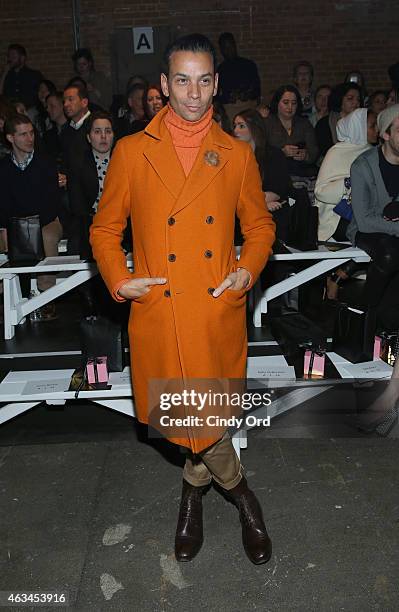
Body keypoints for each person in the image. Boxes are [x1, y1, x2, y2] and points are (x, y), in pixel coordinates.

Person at [90, 33, 275, 565]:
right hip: (161, 308)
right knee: (184, 420)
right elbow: (104, 230)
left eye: (203, 80)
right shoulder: (131, 151)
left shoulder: (236, 154)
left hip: (213, 307)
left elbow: (260, 225)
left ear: (216, 84)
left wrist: (245, 270)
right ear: (164, 86)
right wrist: (118, 278)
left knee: (205, 417)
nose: (193, 93)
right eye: (182, 80)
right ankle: (242, 496)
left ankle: (193, 500)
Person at [0, 114, 62, 318]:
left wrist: (29, 227)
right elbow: (3, 204)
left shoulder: (46, 163)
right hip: (16, 223)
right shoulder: (4, 168)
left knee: (47, 236)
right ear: (10, 138)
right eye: (23, 134)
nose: (29, 138)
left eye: (31, 133)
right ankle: (6, 295)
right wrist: (7, 228)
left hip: (45, 220)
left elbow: (51, 203)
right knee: (6, 237)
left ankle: (47, 295)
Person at [315, 108, 378, 299]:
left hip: (362, 215)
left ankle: (339, 277)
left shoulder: (374, 152)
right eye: (372, 126)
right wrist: (349, 183)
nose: (377, 130)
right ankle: (338, 277)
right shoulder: (337, 152)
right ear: (359, 128)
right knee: (374, 234)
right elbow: (321, 192)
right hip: (337, 219)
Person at [347, 105, 399, 328]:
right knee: (390, 253)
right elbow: (365, 221)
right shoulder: (363, 166)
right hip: (365, 230)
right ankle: (364, 313)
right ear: (385, 134)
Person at [264, 85, 318, 179]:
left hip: (301, 172)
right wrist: (281, 152)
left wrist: (306, 155)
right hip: (274, 173)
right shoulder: (267, 123)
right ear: (277, 103)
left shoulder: (304, 123)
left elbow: (314, 150)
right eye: (285, 102)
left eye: (294, 103)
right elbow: (260, 151)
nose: (290, 107)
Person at [217, 32, 261, 127]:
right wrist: (228, 98)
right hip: (230, 109)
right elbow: (216, 97)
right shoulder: (220, 70)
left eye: (230, 46)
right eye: (225, 48)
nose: (229, 50)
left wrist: (246, 94)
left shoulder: (248, 65)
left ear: (235, 45)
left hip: (248, 106)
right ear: (221, 50)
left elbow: (257, 91)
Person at [316, 82, 362, 158]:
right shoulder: (324, 124)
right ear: (340, 99)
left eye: (358, 99)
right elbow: (325, 151)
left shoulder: (363, 122)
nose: (356, 102)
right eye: (350, 98)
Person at [1, 44, 43, 110]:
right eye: (9, 56)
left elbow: (40, 96)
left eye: (13, 56)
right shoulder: (7, 76)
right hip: (10, 111)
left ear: (23, 58)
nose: (10, 59)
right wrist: (4, 73)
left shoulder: (34, 75)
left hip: (29, 111)